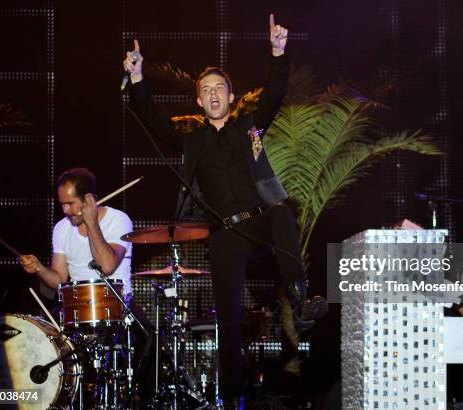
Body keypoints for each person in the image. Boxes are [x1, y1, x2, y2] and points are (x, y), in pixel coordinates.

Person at [124, 14, 324, 405]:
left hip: (259, 219)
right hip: (226, 233)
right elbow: (154, 121)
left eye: (220, 88)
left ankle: (300, 297)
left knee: (282, 211)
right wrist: (137, 80)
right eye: (206, 90)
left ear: (230, 98)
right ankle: (231, 399)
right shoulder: (193, 140)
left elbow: (273, 96)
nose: (214, 94)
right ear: (199, 100)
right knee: (229, 322)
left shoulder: (248, 126)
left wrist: (278, 52)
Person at [20, 167, 133, 296]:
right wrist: (38, 268)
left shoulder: (118, 220)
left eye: (70, 203)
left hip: (116, 307)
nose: (65, 210)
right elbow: (60, 281)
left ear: (89, 199)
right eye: (62, 204)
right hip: (78, 308)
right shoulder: (61, 228)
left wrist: (91, 222)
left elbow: (106, 267)